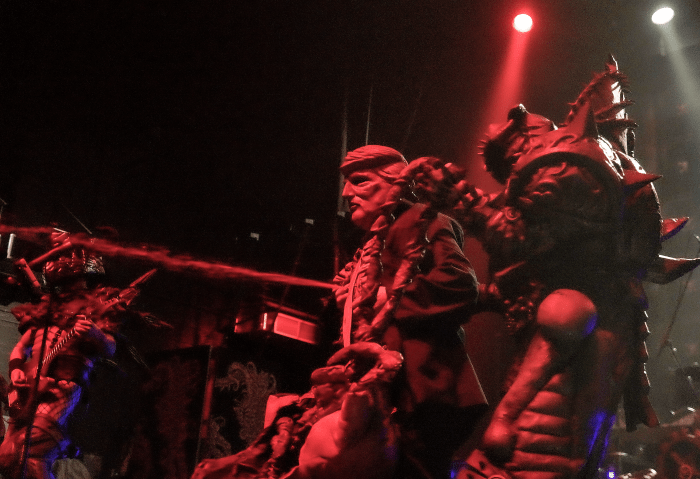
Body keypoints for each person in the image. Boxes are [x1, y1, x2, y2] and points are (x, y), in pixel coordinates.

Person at [332, 145, 487, 479]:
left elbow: (460, 284)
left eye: (360, 181)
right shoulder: (372, 243)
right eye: (346, 183)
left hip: (419, 392)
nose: (346, 193)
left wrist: (385, 296)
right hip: (385, 392)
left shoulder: (420, 219)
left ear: (394, 183)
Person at [0, 237, 156, 479]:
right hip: (27, 387)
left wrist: (95, 334)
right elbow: (21, 347)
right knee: (8, 456)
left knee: (33, 449)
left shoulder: (96, 309)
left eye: (75, 281)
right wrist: (17, 370)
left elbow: (109, 348)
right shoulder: (47, 310)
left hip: (62, 388)